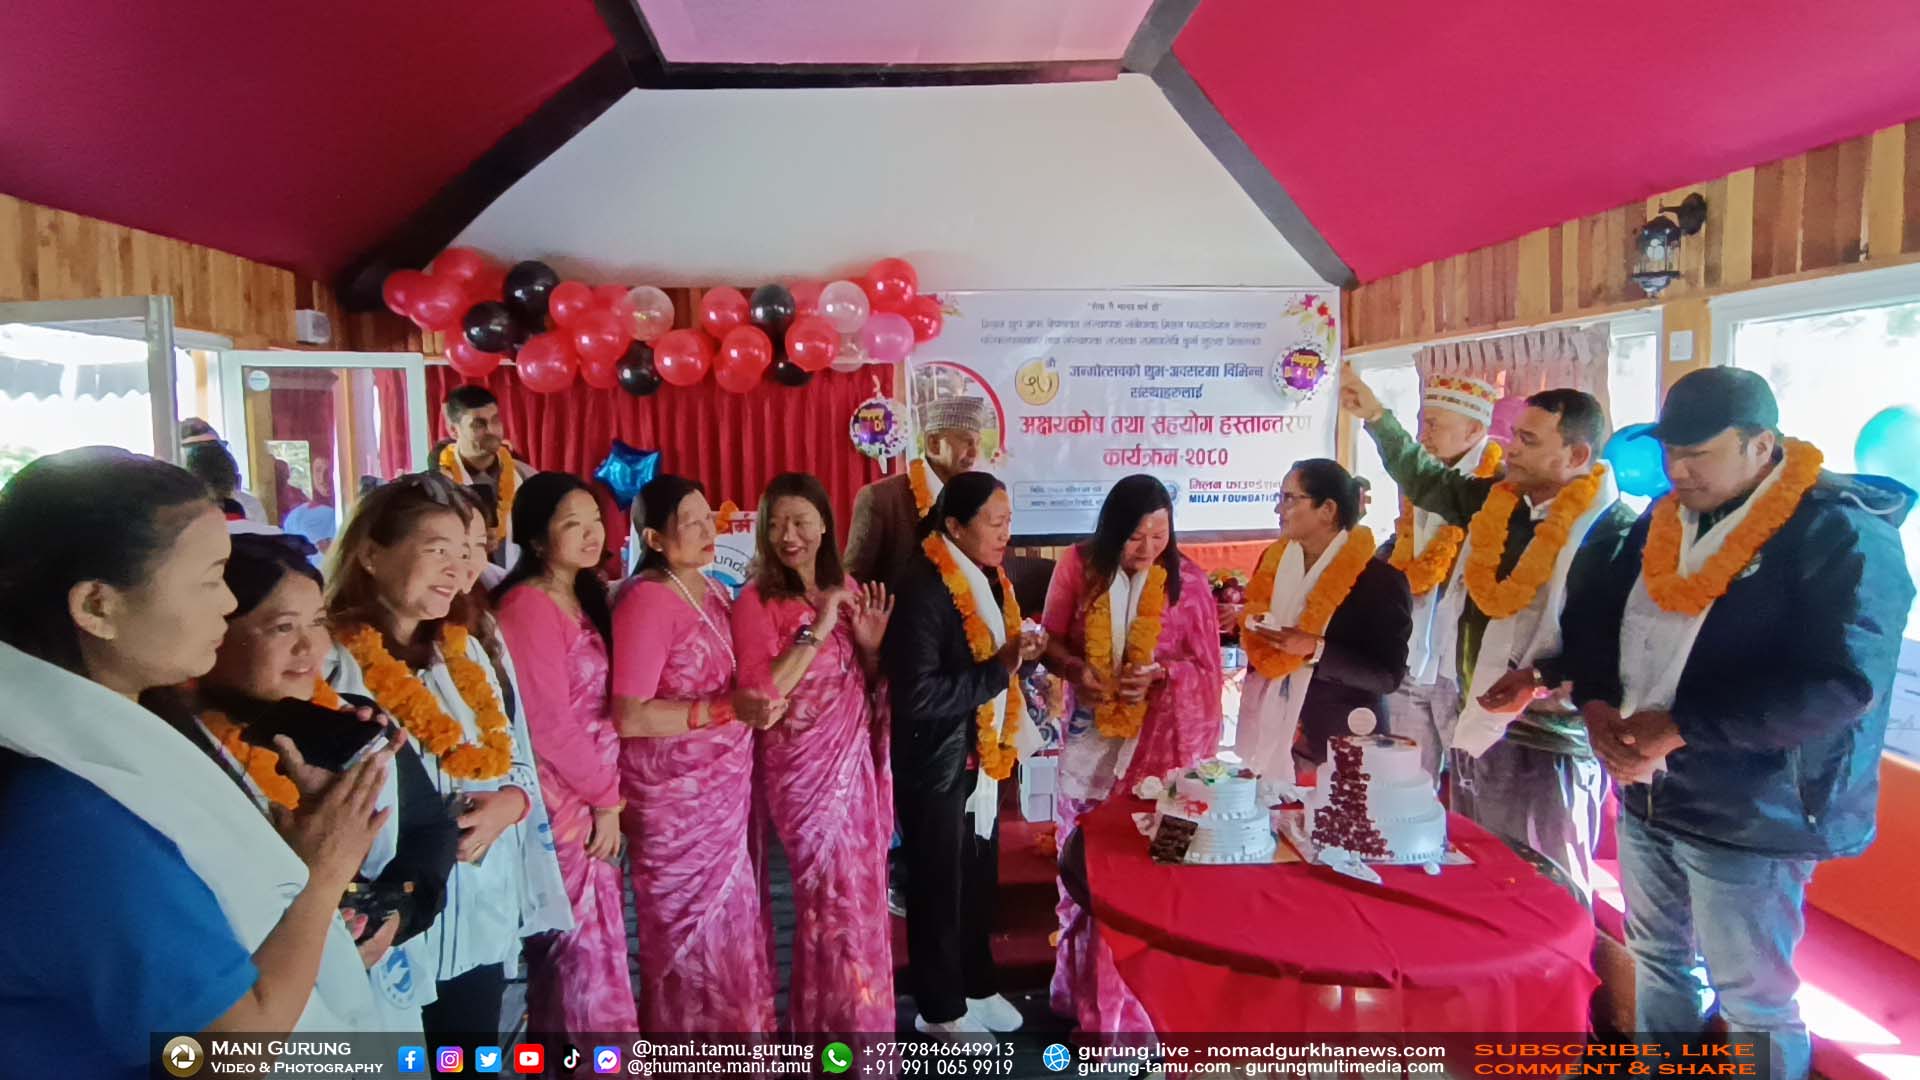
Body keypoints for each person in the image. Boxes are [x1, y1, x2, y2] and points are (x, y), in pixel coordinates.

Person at [1557, 368, 1913, 1080]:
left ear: (1761, 445)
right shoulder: (1664, 520)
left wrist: (1679, 727)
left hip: (1755, 813)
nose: (1678, 470)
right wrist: (1594, 706)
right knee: (1659, 962)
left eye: (1699, 454)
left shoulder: (1838, 531)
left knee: (1753, 1000)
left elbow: (1842, 685)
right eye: (1670, 452)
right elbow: (1596, 622)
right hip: (1651, 792)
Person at [0, 447, 390, 1077]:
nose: (230, 604)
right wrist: (321, 880)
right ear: (97, 605)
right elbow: (224, 1054)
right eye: (210, 580)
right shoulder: (68, 815)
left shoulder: (127, 737)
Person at [1343, 366, 1634, 901]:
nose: (1511, 447)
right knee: (1479, 870)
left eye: (1528, 440)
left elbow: (1612, 641)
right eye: (1515, 434)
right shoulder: (1501, 502)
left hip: (1550, 738)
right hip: (1477, 713)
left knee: (1547, 887)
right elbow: (1429, 483)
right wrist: (1378, 418)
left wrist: (1540, 677)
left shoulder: (1612, 532)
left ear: (1576, 455)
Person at [325, 474, 571, 1047]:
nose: (458, 570)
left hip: (476, 918)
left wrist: (511, 803)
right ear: (370, 553)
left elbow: (516, 758)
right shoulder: (330, 665)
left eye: (467, 553)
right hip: (385, 932)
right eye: (437, 551)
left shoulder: (466, 652)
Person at [196, 530, 459, 1029]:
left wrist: (396, 913)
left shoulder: (354, 720)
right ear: (214, 632)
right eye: (281, 627)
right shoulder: (193, 752)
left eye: (317, 622)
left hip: (378, 998)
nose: (309, 646)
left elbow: (430, 831)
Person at [1039, 474, 1223, 1031]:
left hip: (1162, 751)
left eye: (1159, 536)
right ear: (1112, 530)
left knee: (1152, 881)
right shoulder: (1079, 566)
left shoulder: (1190, 582)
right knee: (1085, 873)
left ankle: (1140, 1019)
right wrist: (1078, 670)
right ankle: (1085, 1000)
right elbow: (1049, 642)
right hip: (1092, 741)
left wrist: (1164, 676)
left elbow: (1208, 670)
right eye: (1135, 537)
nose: (1147, 550)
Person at [611, 474, 783, 1033]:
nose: (709, 530)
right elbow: (630, 714)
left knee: (731, 927)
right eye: (692, 522)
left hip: (723, 792)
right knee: (688, 937)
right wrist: (721, 710)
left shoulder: (709, 589)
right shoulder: (645, 600)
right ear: (654, 539)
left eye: (710, 518)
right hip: (674, 804)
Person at [730, 472, 897, 1034]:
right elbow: (763, 691)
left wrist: (870, 648)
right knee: (828, 906)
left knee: (861, 900)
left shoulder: (844, 585)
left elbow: (864, 683)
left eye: (800, 521)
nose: (789, 536)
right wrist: (821, 624)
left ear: (825, 525)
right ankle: (834, 1036)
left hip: (853, 763)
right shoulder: (755, 601)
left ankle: (854, 1031)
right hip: (801, 776)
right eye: (776, 524)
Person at [883, 472, 1045, 1037]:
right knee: (937, 885)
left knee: (977, 879)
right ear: (954, 526)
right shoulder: (923, 586)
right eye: (994, 522)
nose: (1005, 533)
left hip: (980, 755)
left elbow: (995, 656)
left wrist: (1019, 653)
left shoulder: (989, 576)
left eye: (1008, 521)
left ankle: (977, 984)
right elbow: (917, 695)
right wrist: (999, 670)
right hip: (936, 759)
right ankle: (940, 1010)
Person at [491, 473, 638, 1043]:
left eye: (595, 521)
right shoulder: (527, 606)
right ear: (535, 538)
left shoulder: (580, 594)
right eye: (572, 524)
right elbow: (548, 724)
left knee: (594, 947)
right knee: (578, 956)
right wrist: (606, 800)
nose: (591, 533)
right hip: (560, 803)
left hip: (590, 793)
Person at [1235, 459, 1411, 784]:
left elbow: (1387, 676)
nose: (1278, 509)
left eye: (1290, 498)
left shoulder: (1380, 581)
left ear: (1327, 510)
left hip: (1341, 743)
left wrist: (1316, 649)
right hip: (1271, 729)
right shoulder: (1272, 563)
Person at [1373, 375, 1504, 780]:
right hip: (1410, 656)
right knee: (1406, 783)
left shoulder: (1498, 491)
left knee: (1472, 787)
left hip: (1460, 669)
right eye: (1420, 423)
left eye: (1433, 424)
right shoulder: (1422, 488)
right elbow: (1404, 548)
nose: (1422, 435)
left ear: (1474, 430)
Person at [845, 396, 991, 590]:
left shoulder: (975, 501)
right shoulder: (881, 499)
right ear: (933, 443)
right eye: (967, 442)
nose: (974, 454)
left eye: (978, 443)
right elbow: (853, 583)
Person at [436, 386, 536, 567]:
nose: (491, 430)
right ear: (453, 430)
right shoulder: (437, 485)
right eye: (478, 424)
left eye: (495, 420)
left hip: (517, 575)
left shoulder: (527, 477)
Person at [181, 418, 268, 524]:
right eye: (196, 450)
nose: (208, 458)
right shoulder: (171, 513)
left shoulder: (251, 508)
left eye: (215, 448)